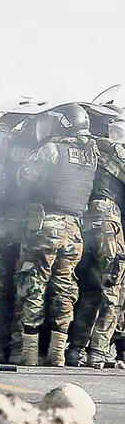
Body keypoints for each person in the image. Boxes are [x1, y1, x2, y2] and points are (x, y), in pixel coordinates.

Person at [14, 103, 97, 366]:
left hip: (46, 226)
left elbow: (25, 178)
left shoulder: (52, 149)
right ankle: (57, 351)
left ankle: (29, 352)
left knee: (34, 283)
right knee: (65, 286)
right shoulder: (90, 152)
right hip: (74, 230)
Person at [68, 104, 125, 368]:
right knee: (112, 288)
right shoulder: (111, 149)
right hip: (106, 223)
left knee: (89, 290)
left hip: (79, 223)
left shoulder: (79, 147)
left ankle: (76, 349)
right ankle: (99, 351)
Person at [0, 115, 39, 363]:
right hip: (30, 226)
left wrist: (8, 118)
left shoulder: (7, 141)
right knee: (24, 289)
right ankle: (18, 348)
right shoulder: (45, 148)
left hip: (4, 224)